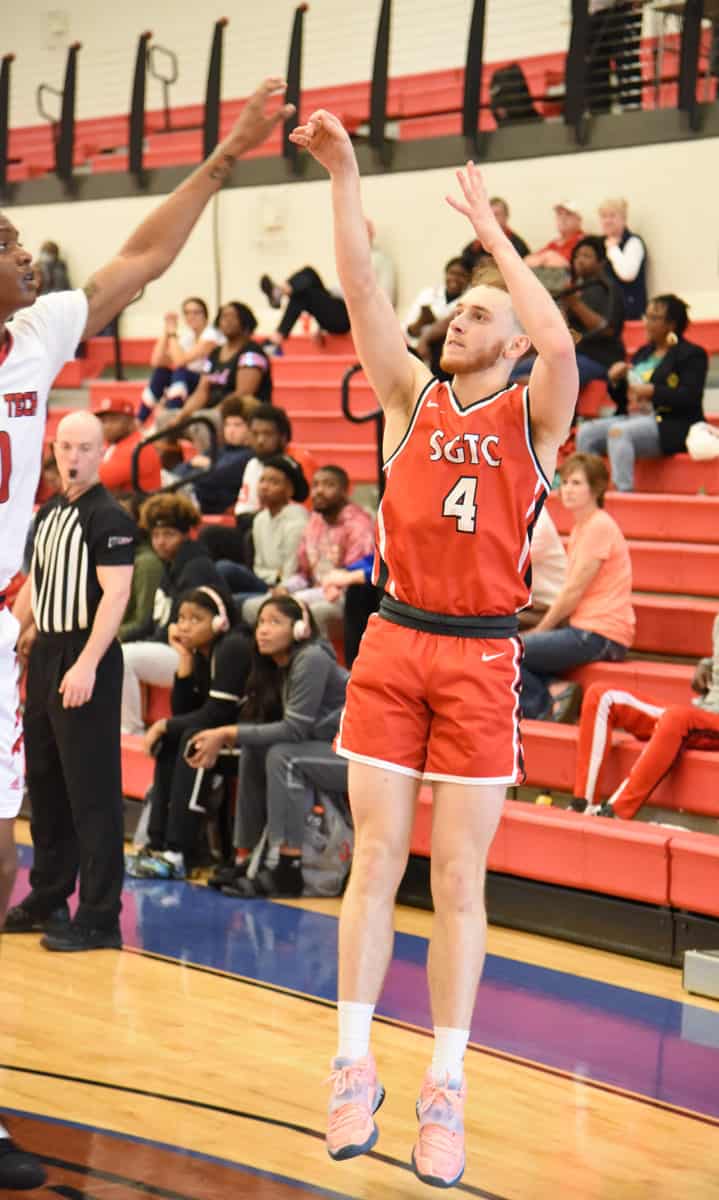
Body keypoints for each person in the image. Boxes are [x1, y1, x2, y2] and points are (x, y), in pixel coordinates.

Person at [0, 73, 293, 1189]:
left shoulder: (36, 333)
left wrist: (224, 156)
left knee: (7, 851)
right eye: (18, 246)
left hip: (10, 636)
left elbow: (142, 259)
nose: (38, 263)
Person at [289, 108, 578, 1188]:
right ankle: (352, 1063)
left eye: (476, 313)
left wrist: (498, 244)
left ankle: (445, 1086)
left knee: (457, 877)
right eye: (452, 306)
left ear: (502, 341)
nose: (456, 318)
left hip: (481, 657)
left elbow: (556, 343)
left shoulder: (533, 415)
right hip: (397, 641)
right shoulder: (409, 399)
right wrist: (347, 175)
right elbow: (361, 288)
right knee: (375, 860)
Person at [5, 411, 135, 951]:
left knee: (93, 792)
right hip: (47, 655)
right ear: (53, 450)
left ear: (101, 451)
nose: (73, 457)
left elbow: (118, 595)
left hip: (88, 655)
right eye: (65, 447)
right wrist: (11, 635)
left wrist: (86, 664)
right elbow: (36, 584)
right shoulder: (51, 512)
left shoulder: (109, 516)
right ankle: (49, 894)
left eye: (85, 447)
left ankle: (101, 914)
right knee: (48, 785)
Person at [186, 594, 349, 898]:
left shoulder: (312, 658)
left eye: (275, 622)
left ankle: (287, 868)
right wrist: (232, 735)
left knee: (284, 756)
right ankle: (245, 858)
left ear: (300, 628)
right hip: (326, 748)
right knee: (256, 749)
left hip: (363, 758)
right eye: (261, 622)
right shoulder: (276, 667)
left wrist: (225, 733)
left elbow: (295, 730)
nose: (263, 630)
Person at [130, 587, 251, 877]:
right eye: (181, 618)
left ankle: (178, 851)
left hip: (248, 735)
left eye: (195, 618)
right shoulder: (200, 652)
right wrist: (183, 656)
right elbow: (184, 711)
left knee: (191, 739)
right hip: (222, 733)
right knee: (173, 738)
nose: (184, 625)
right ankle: (156, 845)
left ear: (219, 621)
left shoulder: (233, 646)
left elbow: (217, 714)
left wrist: (164, 725)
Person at [520, 453, 634, 721]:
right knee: (507, 645)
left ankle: (543, 704)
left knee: (510, 651)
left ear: (595, 489)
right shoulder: (583, 527)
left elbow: (572, 592)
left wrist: (540, 629)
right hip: (587, 629)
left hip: (600, 634)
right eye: (565, 482)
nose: (567, 490)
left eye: (576, 483)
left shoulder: (599, 527)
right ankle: (556, 689)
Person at [576, 294, 707, 491]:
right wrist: (616, 381)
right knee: (586, 433)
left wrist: (653, 391)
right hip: (633, 417)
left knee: (619, 433)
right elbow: (621, 398)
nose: (647, 323)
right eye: (646, 317)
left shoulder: (691, 354)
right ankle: (590, 492)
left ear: (671, 324)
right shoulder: (643, 353)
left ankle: (624, 495)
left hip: (670, 422)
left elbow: (690, 396)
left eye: (654, 318)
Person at [120, 492, 226, 735]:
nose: (161, 542)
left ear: (187, 533)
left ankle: (130, 730)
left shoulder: (196, 567)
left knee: (122, 656)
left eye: (169, 534)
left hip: (198, 657)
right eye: (156, 535)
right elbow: (155, 623)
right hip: (172, 647)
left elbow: (189, 629)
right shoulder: (171, 566)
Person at [242, 465, 374, 636]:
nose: (319, 491)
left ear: (345, 491)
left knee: (315, 611)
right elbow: (304, 574)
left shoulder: (358, 524)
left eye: (328, 485)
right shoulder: (314, 522)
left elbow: (352, 581)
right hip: (312, 591)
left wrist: (302, 597)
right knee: (250, 607)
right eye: (316, 485)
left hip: (345, 598)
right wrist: (286, 588)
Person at [216, 454, 309, 617]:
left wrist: (276, 580)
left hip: (285, 586)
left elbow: (291, 571)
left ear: (289, 490)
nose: (265, 487)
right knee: (222, 570)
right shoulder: (259, 518)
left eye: (274, 482)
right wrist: (270, 576)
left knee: (230, 591)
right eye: (262, 480)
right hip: (264, 581)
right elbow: (258, 567)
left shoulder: (298, 520)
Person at [165, 301, 272, 432]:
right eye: (223, 316)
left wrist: (212, 412)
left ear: (245, 321)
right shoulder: (215, 353)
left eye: (232, 316)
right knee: (165, 419)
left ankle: (210, 452)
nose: (226, 321)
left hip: (239, 414)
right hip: (211, 411)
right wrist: (181, 416)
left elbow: (243, 393)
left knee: (203, 420)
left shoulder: (251, 352)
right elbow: (201, 392)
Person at [139, 297, 224, 422]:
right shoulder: (188, 337)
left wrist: (173, 334)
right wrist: (166, 332)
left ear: (205, 315)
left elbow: (180, 361)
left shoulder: (212, 335)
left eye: (196, 312)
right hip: (191, 381)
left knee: (180, 372)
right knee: (161, 372)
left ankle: (170, 414)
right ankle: (139, 420)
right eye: (187, 313)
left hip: (211, 383)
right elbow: (157, 361)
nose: (192, 316)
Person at [561, 235, 625, 388]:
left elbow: (607, 329)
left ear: (601, 262)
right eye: (577, 256)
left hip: (600, 358)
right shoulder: (577, 289)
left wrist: (575, 305)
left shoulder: (610, 289)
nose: (579, 260)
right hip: (575, 354)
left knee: (554, 377)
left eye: (586, 256)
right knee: (515, 373)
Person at [184, 394, 259, 514]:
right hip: (192, 495)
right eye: (227, 424)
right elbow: (181, 468)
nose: (231, 430)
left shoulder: (249, 456)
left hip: (206, 504)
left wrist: (205, 465)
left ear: (252, 428)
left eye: (237, 425)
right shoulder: (220, 450)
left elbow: (214, 476)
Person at [260, 267, 350, 353]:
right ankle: (283, 290)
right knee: (304, 288)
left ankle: (282, 291)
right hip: (336, 318)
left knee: (305, 285)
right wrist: (319, 328)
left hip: (344, 320)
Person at [94, 392, 162, 494]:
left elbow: (95, 481)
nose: (106, 426)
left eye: (113, 420)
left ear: (131, 422)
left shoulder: (137, 447)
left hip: (139, 507)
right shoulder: (114, 443)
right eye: (103, 421)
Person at [587, 2, 644, 115]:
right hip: (594, 12)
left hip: (623, 8)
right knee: (595, 73)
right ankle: (599, 122)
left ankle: (633, 116)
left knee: (626, 67)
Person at [598, 196, 647, 320]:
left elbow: (627, 274)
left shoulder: (633, 242)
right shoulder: (599, 244)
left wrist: (613, 249)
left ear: (624, 219)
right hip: (604, 313)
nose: (607, 220)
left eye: (612, 216)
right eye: (604, 216)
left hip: (628, 313)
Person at [460, 197, 530, 270]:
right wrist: (479, 261)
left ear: (506, 216)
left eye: (497, 214)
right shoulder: (475, 246)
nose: (492, 218)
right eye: (489, 215)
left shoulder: (518, 245)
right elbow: (465, 263)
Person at [524, 200, 584, 270]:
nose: (563, 218)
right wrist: (547, 257)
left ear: (579, 219)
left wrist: (545, 258)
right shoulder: (554, 243)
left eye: (568, 214)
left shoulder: (584, 242)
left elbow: (568, 265)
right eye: (559, 214)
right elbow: (526, 261)